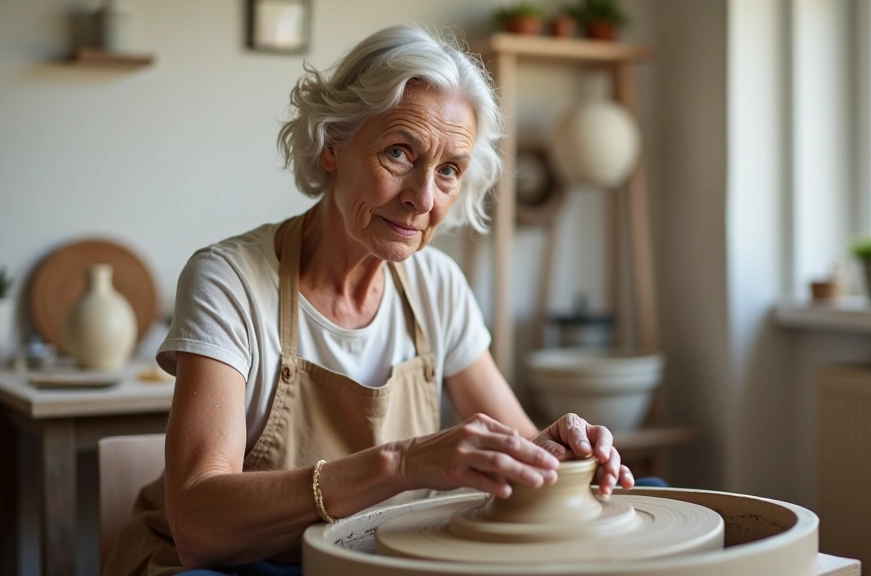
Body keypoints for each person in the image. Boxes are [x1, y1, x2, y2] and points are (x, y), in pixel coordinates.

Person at [103, 25, 634, 576]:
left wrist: (562, 452)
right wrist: (401, 464)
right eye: (400, 153)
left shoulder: (437, 285)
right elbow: (198, 526)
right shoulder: (229, 281)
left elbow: (521, 446)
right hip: (244, 563)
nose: (422, 199)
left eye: (449, 169)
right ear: (332, 144)